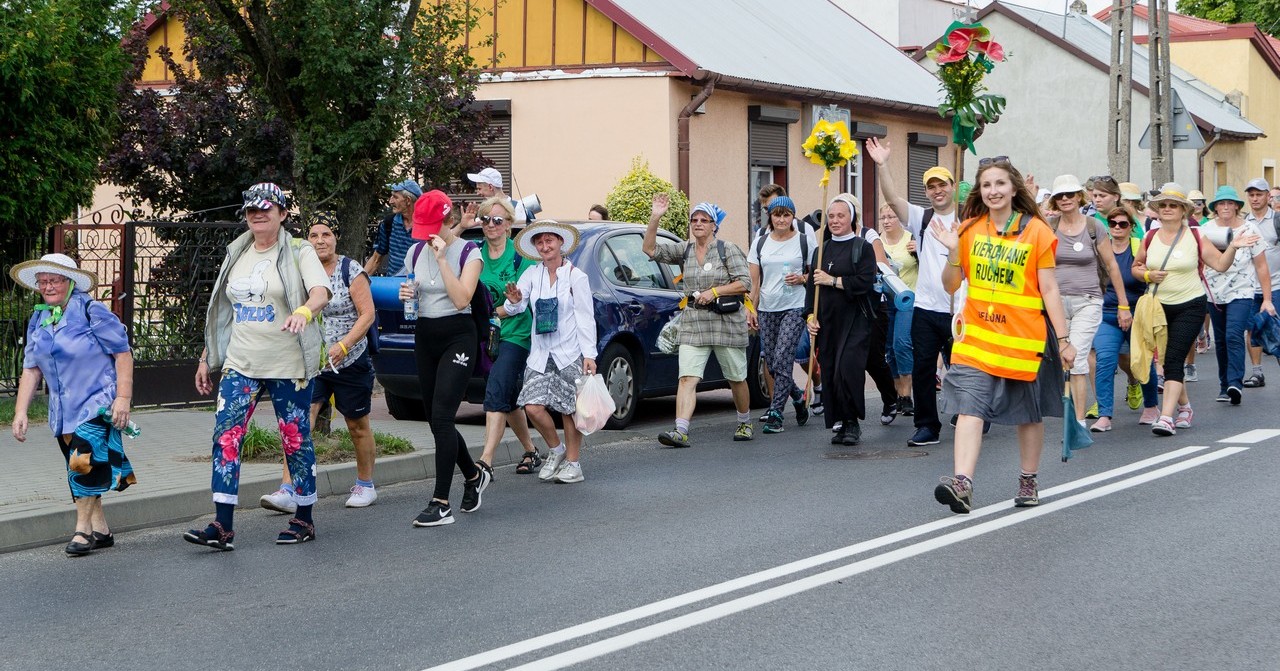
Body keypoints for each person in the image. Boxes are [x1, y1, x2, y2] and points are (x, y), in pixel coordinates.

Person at [189, 182, 331, 550]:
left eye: (266, 209)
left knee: (294, 438)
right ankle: (222, 526)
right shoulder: (237, 253)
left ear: (283, 214)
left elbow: (320, 292)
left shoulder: (299, 250)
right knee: (225, 437)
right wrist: (208, 356)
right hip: (241, 362)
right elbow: (223, 312)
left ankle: (304, 518)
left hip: (287, 364)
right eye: (251, 209)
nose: (257, 214)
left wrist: (304, 310)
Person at [930, 156, 1072, 514]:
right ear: (980, 190)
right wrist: (952, 252)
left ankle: (1028, 478)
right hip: (976, 339)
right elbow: (951, 286)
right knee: (969, 406)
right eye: (987, 185)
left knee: (1028, 414)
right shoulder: (968, 230)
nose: (993, 191)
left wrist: (1065, 339)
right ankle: (962, 482)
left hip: (1023, 342)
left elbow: (1050, 290)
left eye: (1000, 184)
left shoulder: (1037, 231)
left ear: (1013, 189)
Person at [10, 254, 136, 556]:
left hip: (96, 403)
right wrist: (20, 411)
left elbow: (123, 353)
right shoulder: (39, 318)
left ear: (69, 282)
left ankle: (82, 531)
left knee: (81, 462)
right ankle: (102, 530)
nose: (48, 286)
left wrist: (123, 398)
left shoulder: (92, 311)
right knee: (78, 465)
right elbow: (31, 367)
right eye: (43, 281)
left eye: (54, 280)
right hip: (62, 411)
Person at [259, 212, 378, 511]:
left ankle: (365, 485)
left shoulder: (350, 270)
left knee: (356, 425)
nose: (320, 240)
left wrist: (344, 344)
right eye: (314, 235)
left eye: (326, 234)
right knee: (299, 424)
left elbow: (367, 314)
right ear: (307, 241)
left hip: (350, 360)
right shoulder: (301, 271)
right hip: (313, 361)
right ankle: (288, 489)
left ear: (335, 238)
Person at [1133, 184, 1259, 436]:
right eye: (1163, 205)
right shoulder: (1150, 237)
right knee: (1171, 361)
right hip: (1158, 307)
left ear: (1183, 211)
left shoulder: (1195, 235)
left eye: (1173, 205)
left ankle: (1166, 417)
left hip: (1190, 306)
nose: (1167, 209)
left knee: (1173, 360)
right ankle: (1186, 408)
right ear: (1157, 210)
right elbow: (1136, 266)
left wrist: (1233, 246)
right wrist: (1147, 274)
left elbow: (1221, 265)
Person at [399, 190, 490, 526]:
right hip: (425, 335)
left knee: (441, 418)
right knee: (438, 421)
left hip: (458, 335)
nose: (426, 238)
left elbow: (461, 297)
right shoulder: (413, 252)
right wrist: (406, 293)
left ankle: (440, 503)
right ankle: (473, 475)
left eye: (431, 229)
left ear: (448, 221)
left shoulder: (470, 252)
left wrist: (441, 259)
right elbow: (411, 294)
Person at [867, 137, 961, 447]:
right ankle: (926, 427)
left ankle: (972, 413)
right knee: (922, 368)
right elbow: (892, 198)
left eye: (942, 185)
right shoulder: (922, 218)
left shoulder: (968, 220)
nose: (937, 190)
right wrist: (882, 165)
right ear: (927, 192)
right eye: (931, 186)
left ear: (952, 186)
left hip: (960, 308)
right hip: (926, 307)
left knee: (962, 366)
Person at [643, 193, 754, 446]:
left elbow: (744, 283)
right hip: (694, 321)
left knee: (736, 377)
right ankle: (680, 431)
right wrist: (655, 217)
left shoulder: (728, 249)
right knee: (687, 378)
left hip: (726, 321)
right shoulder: (685, 250)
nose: (698, 224)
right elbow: (649, 249)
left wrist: (714, 291)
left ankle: (744, 421)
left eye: (704, 220)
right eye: (694, 220)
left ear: (714, 225)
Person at [502, 220, 597, 483]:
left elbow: (585, 318)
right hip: (541, 353)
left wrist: (590, 355)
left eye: (549, 241)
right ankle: (556, 450)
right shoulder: (532, 274)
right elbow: (517, 306)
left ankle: (574, 464)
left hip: (569, 351)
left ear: (560, 243)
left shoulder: (576, 276)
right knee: (532, 407)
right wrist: (514, 301)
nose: (545, 246)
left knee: (568, 409)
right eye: (540, 242)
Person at [1048, 175, 1129, 427]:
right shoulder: (1049, 226)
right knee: (1064, 360)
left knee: (1078, 358)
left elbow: (1112, 267)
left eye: (1070, 194)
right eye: (1060, 196)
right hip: (1057, 302)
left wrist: (1124, 306)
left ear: (1079, 196)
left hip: (1088, 301)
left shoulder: (1094, 227)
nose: (1065, 199)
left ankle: (1079, 422)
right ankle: (1071, 414)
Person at [473, 197, 543, 477]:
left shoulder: (519, 257)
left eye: (498, 220)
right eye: (485, 219)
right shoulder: (475, 254)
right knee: (510, 396)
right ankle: (531, 450)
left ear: (509, 226)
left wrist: (492, 314)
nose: (491, 225)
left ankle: (485, 461)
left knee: (496, 390)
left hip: (516, 334)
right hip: (486, 336)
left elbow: (521, 302)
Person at [805, 194, 880, 445]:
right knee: (831, 372)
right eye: (832, 216)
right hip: (828, 321)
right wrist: (810, 316)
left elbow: (864, 282)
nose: (835, 220)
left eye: (841, 216)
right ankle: (840, 420)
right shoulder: (820, 251)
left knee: (848, 368)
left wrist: (833, 281)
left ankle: (852, 423)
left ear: (851, 218)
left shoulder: (863, 248)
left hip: (855, 320)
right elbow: (810, 289)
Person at [1202, 185, 1273, 405]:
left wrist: (1267, 299)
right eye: (1221, 203)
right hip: (1213, 292)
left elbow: (1261, 266)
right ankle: (1224, 385)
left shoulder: (1249, 229)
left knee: (1234, 335)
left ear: (1236, 206)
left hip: (1242, 290)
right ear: (1215, 207)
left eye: (1229, 203)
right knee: (1221, 340)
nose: (1225, 207)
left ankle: (1235, 383)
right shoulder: (1205, 230)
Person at [747, 196, 812, 433]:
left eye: (786, 215)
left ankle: (776, 412)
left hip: (795, 306)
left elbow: (816, 274)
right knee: (773, 364)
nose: (782, 219)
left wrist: (802, 278)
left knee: (784, 356)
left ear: (793, 217)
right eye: (777, 215)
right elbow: (754, 283)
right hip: (767, 307)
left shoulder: (804, 242)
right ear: (771, 218)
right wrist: (750, 309)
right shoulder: (760, 243)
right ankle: (797, 397)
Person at [1091, 208, 1160, 431]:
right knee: (1105, 360)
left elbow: (1152, 274)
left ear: (1131, 227)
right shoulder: (1100, 248)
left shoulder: (1138, 247)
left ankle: (1151, 406)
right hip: (1107, 314)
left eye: (1122, 224)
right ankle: (1104, 415)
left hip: (1137, 313)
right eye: (1112, 224)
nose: (1117, 228)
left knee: (1141, 361)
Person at [879, 204, 918, 416]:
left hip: (908, 300)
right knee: (888, 349)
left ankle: (906, 392)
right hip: (885, 301)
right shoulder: (876, 241)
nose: (886, 221)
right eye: (883, 217)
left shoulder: (911, 239)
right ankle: (899, 393)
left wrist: (918, 250)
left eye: (891, 216)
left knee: (902, 343)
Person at [1243, 178, 1279, 388]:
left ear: (1268, 196)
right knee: (1252, 329)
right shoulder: (1244, 223)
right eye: (1251, 195)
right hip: (1249, 288)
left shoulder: (1277, 220)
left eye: (1259, 194)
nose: (1255, 198)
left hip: (1276, 285)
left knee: (1276, 328)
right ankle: (1257, 373)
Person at [366, 179, 422, 275]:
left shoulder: (428, 225)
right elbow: (376, 259)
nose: (390, 201)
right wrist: (358, 283)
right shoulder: (389, 223)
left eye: (395, 197)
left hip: (421, 287)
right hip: (394, 286)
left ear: (408, 200)